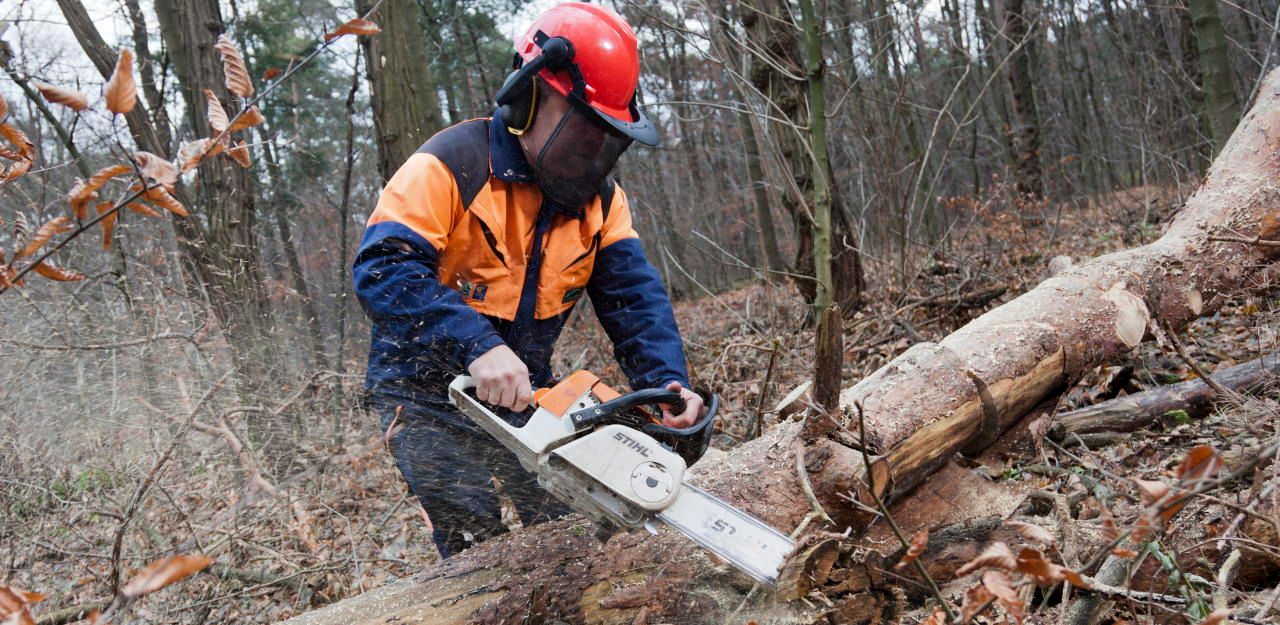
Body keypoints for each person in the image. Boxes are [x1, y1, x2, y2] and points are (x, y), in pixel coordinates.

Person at [352, 2, 703, 558]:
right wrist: (476, 346)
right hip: (424, 389)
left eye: (603, 138)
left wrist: (667, 382)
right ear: (527, 97)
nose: (590, 152)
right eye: (580, 130)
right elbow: (384, 267)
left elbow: (633, 299)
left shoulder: (600, 203)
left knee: (569, 519)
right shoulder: (450, 165)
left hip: (526, 385)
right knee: (472, 532)